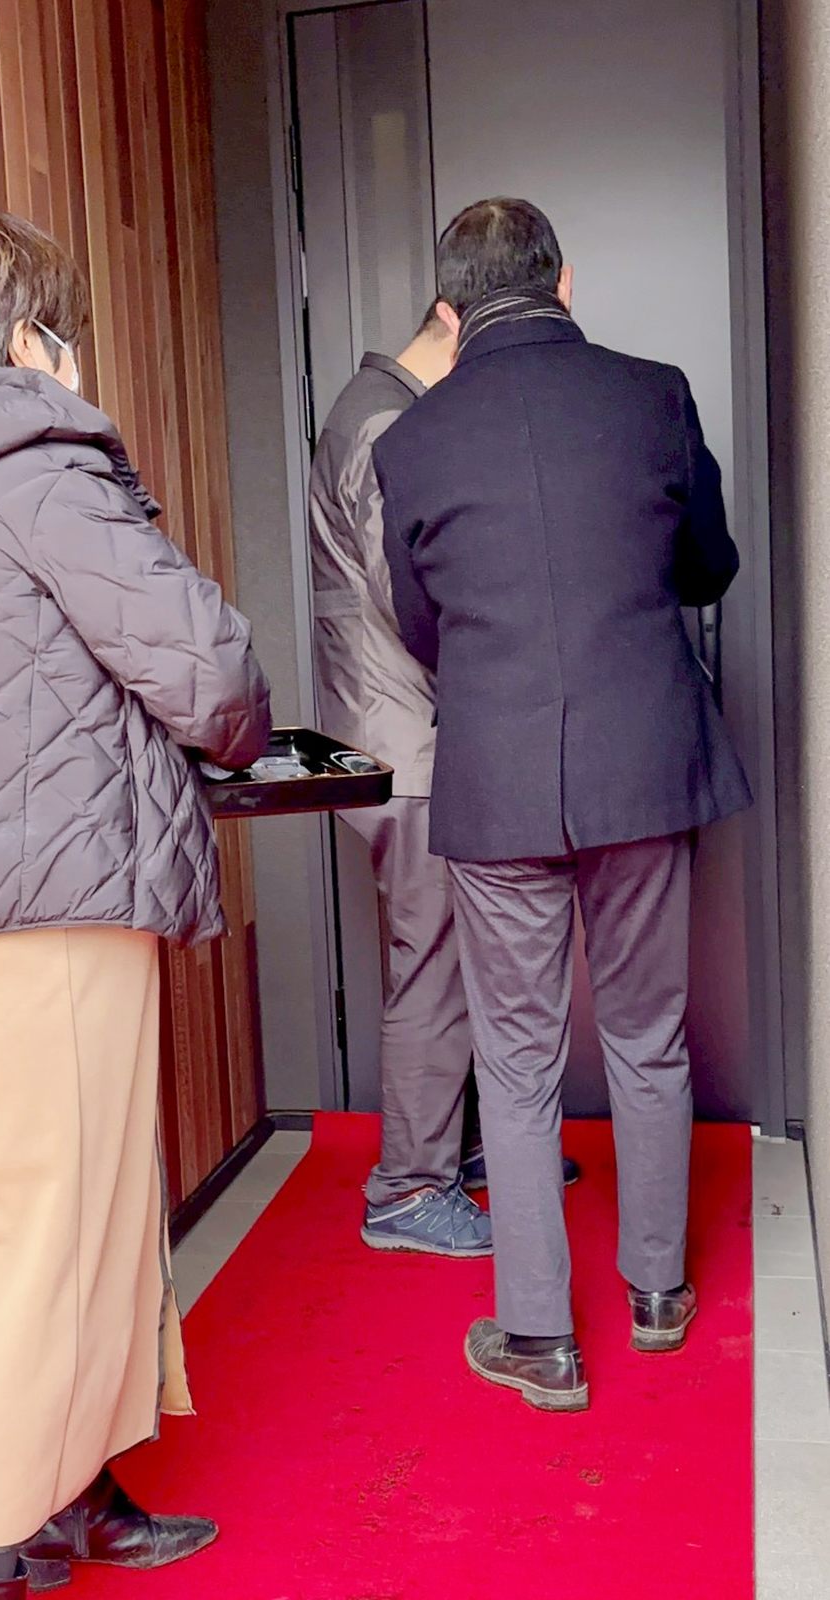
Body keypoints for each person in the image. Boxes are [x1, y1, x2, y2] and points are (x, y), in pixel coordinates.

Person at [0, 206, 271, 1599]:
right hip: (46, 912)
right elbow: (209, 672)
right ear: (30, 339)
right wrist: (248, 738)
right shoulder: (43, 481)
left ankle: (69, 1494)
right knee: (58, 1229)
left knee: (1, 1229)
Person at [375, 198, 751, 1411]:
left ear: (449, 309)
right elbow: (707, 564)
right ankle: (656, 1293)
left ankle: (537, 1337)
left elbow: (418, 624)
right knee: (646, 1033)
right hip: (642, 763)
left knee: (516, 1055)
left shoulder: (410, 441)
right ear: (563, 281)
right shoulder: (654, 394)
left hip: (495, 775)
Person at [309, 307, 579, 1258]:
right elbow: (413, 589)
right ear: (451, 325)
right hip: (403, 739)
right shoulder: (384, 420)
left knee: (448, 951)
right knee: (428, 959)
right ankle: (407, 1189)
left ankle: (452, 1147)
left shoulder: (375, 407)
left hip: (395, 730)